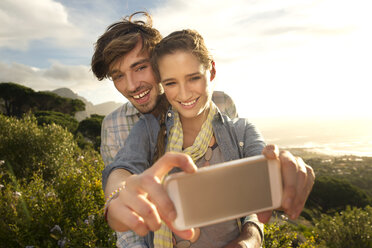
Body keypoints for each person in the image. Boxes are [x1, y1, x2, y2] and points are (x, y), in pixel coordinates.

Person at [92, 12, 315, 248]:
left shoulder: (223, 109)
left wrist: (251, 236)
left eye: (140, 68)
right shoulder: (127, 126)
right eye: (118, 76)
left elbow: (247, 182)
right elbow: (121, 171)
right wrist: (118, 198)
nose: (131, 85)